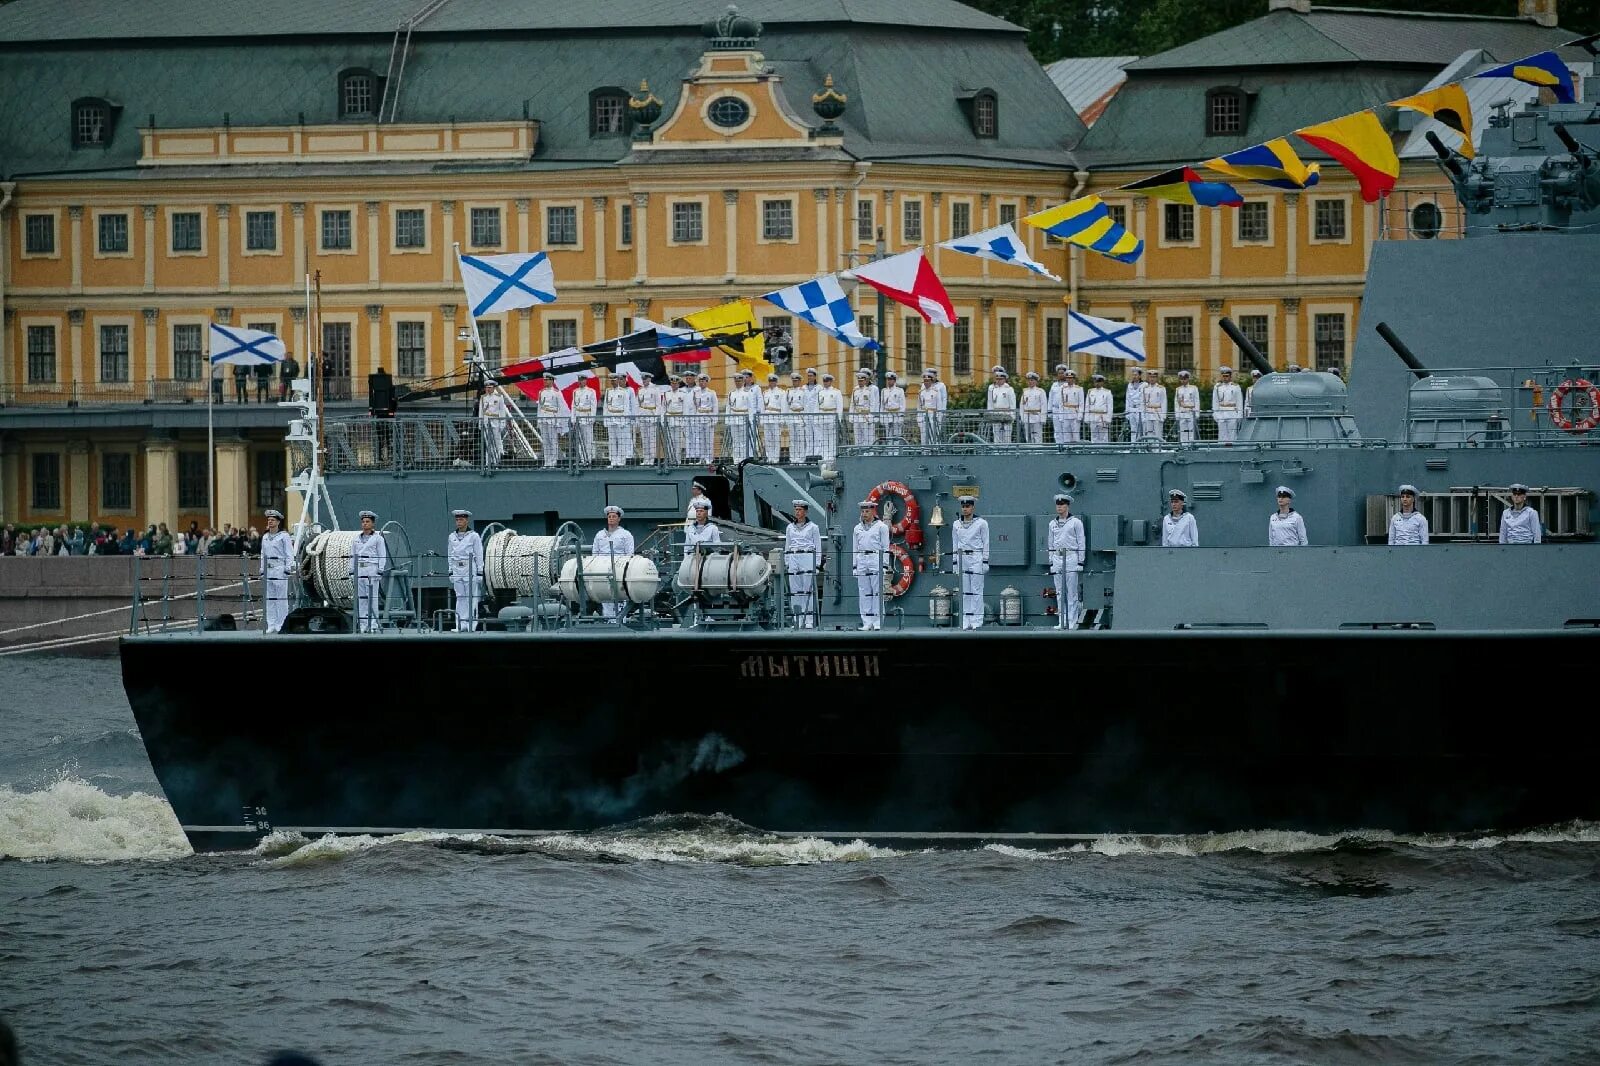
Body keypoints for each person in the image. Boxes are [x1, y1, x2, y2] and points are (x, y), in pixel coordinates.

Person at [1047, 492, 1086, 630]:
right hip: (1057, 558)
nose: (1059, 507)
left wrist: (1081, 561)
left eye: (1062, 504)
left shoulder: (1076, 523)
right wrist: (1051, 561)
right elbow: (1050, 544)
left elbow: (1081, 542)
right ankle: (1062, 620)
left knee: (1071, 592)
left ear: (1067, 506)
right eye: (1058, 505)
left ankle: (1072, 620)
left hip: (1070, 557)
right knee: (1059, 591)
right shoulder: (1052, 523)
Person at [591, 504, 635, 622]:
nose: (611, 518)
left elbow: (629, 553)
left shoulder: (626, 535)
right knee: (605, 594)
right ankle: (608, 621)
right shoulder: (600, 535)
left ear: (619, 519)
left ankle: (621, 621)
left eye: (614, 516)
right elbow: (595, 553)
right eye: (609, 516)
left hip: (619, 568)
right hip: (602, 568)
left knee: (620, 594)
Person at [951, 494, 989, 629]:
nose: (965, 509)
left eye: (967, 506)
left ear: (972, 507)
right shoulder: (957, 524)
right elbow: (955, 544)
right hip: (963, 559)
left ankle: (977, 619)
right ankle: (965, 618)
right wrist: (955, 562)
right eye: (963, 506)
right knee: (964, 591)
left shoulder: (981, 523)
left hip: (976, 558)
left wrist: (985, 561)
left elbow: (986, 543)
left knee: (977, 590)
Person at [851, 499, 890, 630]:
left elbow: (886, 547)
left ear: (873, 511)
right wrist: (854, 566)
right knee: (864, 592)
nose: (864, 514)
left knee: (877, 591)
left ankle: (878, 621)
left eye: (867, 511)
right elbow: (854, 548)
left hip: (875, 558)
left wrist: (884, 565)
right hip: (862, 558)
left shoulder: (881, 527)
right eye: (863, 511)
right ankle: (867, 622)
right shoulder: (857, 528)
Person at [445, 508, 484, 631]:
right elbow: (450, 554)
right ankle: (460, 624)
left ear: (466, 520)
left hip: (469, 568)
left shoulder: (474, 536)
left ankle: (471, 624)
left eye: (461, 519)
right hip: (457, 569)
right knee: (460, 597)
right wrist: (450, 570)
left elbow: (479, 554)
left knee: (471, 597)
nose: (458, 522)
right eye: (457, 519)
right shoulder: (452, 537)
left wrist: (479, 572)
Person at [783, 500, 821, 628]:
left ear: (805, 511)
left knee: (807, 589)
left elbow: (818, 546)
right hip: (794, 556)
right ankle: (797, 619)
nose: (797, 512)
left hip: (807, 556)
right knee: (795, 590)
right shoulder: (790, 528)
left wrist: (817, 564)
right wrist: (787, 561)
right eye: (796, 510)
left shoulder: (813, 527)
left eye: (800, 510)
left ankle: (809, 619)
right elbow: (787, 545)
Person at [351, 509, 387, 632]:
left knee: (372, 598)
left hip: (372, 569)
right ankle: (363, 625)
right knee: (362, 599)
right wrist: (352, 570)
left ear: (373, 524)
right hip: (360, 569)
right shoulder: (356, 539)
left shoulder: (378, 539)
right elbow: (353, 555)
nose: (365, 524)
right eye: (363, 522)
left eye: (367, 521)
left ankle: (373, 625)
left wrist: (380, 569)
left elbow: (382, 554)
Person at [260, 509, 293, 633]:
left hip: (279, 569)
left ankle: (281, 623)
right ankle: (271, 623)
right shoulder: (265, 537)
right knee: (270, 598)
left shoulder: (284, 536)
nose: (270, 522)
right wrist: (262, 568)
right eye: (269, 520)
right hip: (268, 569)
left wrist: (288, 568)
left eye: (272, 520)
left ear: (278, 522)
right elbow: (263, 554)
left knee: (281, 598)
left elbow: (289, 553)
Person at [603, 372, 638, 468]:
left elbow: (627, 407)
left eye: (614, 380)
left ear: (618, 380)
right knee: (612, 441)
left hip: (621, 419)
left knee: (622, 441)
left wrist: (625, 420)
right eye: (612, 380)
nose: (613, 382)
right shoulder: (608, 391)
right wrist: (605, 420)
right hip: (611, 419)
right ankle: (613, 461)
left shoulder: (624, 391)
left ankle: (621, 461)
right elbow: (605, 406)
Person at [537, 373, 568, 468]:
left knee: (553, 441)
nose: (544, 381)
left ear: (551, 381)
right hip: (543, 419)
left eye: (546, 380)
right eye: (544, 380)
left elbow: (561, 408)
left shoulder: (557, 393)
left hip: (552, 419)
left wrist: (558, 421)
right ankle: (547, 462)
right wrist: (539, 420)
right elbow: (539, 407)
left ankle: (553, 462)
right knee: (545, 442)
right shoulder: (541, 392)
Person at [1047, 365, 1082, 446]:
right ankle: (1059, 446)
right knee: (1057, 430)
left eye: (1063, 373)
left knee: (1067, 430)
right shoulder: (1054, 385)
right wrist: (1049, 411)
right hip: (1055, 409)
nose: (1061, 375)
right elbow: (1050, 398)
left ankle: (1068, 446)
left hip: (1066, 410)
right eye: (1059, 373)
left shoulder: (1069, 385)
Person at [727, 369, 755, 462]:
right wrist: (728, 420)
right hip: (734, 418)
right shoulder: (731, 393)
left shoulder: (748, 392)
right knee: (735, 441)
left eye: (739, 381)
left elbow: (751, 408)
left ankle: (743, 459)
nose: (737, 383)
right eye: (736, 381)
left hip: (743, 418)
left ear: (743, 381)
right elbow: (729, 407)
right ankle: (736, 459)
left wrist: (750, 420)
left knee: (743, 441)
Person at [815, 372, 844, 465]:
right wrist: (817, 419)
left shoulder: (836, 392)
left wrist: (838, 419)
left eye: (827, 381)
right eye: (824, 381)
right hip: (822, 415)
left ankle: (831, 456)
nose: (825, 383)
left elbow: (840, 407)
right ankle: (825, 456)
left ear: (831, 381)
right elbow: (817, 406)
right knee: (823, 438)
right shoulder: (820, 392)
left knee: (831, 438)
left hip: (832, 416)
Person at [571, 372, 599, 464]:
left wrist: (592, 418)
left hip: (587, 417)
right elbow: (573, 406)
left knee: (588, 440)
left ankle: (588, 459)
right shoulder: (575, 392)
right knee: (580, 441)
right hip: (578, 418)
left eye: (582, 380)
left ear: (586, 381)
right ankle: (583, 460)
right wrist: (573, 419)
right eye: (579, 380)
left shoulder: (591, 391)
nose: (580, 382)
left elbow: (593, 406)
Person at [691, 371, 719, 463]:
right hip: (699, 417)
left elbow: (715, 406)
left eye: (703, 381)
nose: (701, 383)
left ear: (707, 382)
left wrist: (715, 419)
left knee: (709, 439)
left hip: (708, 417)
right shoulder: (696, 393)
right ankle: (702, 458)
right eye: (700, 381)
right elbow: (694, 406)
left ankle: (709, 458)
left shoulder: (711, 392)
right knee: (700, 440)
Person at [785, 370, 812, 461]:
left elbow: (806, 406)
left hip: (800, 417)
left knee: (800, 439)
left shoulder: (803, 391)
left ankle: (801, 458)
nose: (794, 382)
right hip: (791, 416)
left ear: (799, 381)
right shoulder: (789, 391)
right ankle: (793, 458)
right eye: (793, 381)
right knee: (792, 439)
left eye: (796, 381)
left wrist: (805, 419)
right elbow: (787, 405)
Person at [478, 386, 509, 467]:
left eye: (490, 387)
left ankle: (496, 461)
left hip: (496, 422)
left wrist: (502, 423)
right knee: (488, 444)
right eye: (486, 387)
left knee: (497, 443)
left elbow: (502, 411)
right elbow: (481, 412)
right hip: (486, 422)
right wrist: (480, 423)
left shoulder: (499, 397)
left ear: (493, 388)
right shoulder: (483, 397)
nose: (488, 389)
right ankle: (488, 462)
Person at [635, 370, 661, 464]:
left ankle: (651, 459)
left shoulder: (655, 389)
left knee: (651, 439)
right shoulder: (640, 390)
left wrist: (657, 417)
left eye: (645, 379)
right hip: (642, 416)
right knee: (644, 439)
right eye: (642, 379)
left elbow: (658, 404)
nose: (643, 380)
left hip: (651, 416)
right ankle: (646, 459)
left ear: (649, 379)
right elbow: (637, 404)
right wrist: (637, 418)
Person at [1213, 366, 1243, 444]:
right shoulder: (1217, 387)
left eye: (1227, 376)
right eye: (1223, 376)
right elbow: (1215, 401)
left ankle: (1233, 449)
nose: (1225, 378)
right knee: (1222, 435)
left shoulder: (1236, 387)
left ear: (1230, 376)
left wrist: (1239, 414)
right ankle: (1222, 449)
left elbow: (1239, 401)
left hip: (1232, 413)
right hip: (1221, 412)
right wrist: (1215, 413)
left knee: (1232, 434)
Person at [663, 374, 690, 463]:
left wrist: (684, 421)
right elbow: (663, 407)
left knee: (678, 441)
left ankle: (677, 460)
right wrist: (663, 420)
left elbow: (686, 408)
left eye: (676, 383)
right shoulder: (666, 394)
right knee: (669, 441)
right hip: (669, 419)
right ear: (671, 384)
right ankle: (671, 459)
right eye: (672, 383)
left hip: (679, 419)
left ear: (678, 384)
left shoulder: (683, 394)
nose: (674, 385)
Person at [761, 372, 787, 462]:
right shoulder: (765, 393)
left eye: (773, 381)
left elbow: (784, 406)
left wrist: (782, 419)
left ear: (776, 382)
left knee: (776, 439)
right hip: (767, 418)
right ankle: (769, 457)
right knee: (767, 439)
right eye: (770, 381)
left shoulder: (781, 392)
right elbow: (762, 407)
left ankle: (775, 458)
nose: (771, 383)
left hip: (776, 417)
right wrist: (762, 419)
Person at [986, 366, 1016, 443]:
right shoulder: (992, 388)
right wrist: (990, 414)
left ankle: (1007, 451)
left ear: (1005, 379)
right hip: (996, 413)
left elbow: (1013, 403)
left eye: (1001, 379)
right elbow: (990, 402)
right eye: (997, 379)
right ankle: (997, 451)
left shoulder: (1009, 389)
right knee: (996, 435)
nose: (998, 381)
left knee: (1007, 435)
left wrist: (1012, 416)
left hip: (1006, 413)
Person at [850, 368, 880, 446]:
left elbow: (875, 403)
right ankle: (859, 452)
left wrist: (873, 416)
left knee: (869, 437)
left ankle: (869, 453)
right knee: (858, 437)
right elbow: (853, 404)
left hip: (867, 416)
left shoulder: (873, 389)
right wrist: (851, 416)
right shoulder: (855, 389)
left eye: (864, 378)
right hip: (857, 416)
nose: (862, 381)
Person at [918, 367, 947, 444]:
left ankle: (935, 450)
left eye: (931, 375)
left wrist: (942, 413)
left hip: (935, 412)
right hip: (925, 413)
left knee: (935, 433)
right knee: (924, 435)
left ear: (935, 376)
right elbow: (920, 402)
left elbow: (943, 400)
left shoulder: (941, 385)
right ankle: (925, 451)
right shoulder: (923, 387)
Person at [1018, 371, 1047, 444]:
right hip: (1027, 416)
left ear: (1036, 381)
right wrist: (1022, 417)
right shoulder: (1025, 391)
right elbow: (1022, 405)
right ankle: (1030, 450)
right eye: (1028, 380)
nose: (1030, 382)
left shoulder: (1040, 391)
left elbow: (1044, 405)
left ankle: (1038, 451)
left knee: (1037, 435)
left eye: (1032, 380)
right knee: (1028, 435)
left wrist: (1043, 418)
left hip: (1037, 416)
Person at [1085, 373, 1113, 444]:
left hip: (1102, 417)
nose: (1097, 383)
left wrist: (1108, 418)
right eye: (1095, 381)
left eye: (1099, 381)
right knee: (1094, 436)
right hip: (1093, 416)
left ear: (1102, 382)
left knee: (1103, 436)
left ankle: (1104, 451)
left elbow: (1110, 407)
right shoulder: (1090, 391)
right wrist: (1087, 418)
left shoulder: (1107, 392)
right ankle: (1094, 451)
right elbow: (1087, 405)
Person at [1173, 370, 1200, 445]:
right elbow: (1176, 403)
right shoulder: (1178, 389)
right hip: (1182, 413)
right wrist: (1177, 414)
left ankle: (1191, 446)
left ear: (1188, 379)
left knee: (1191, 432)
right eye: (1181, 379)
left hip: (1191, 412)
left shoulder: (1194, 388)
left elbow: (1197, 401)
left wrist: (1197, 413)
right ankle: (1184, 446)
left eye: (1185, 379)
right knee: (1182, 431)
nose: (1183, 381)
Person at [1141, 369, 1168, 442]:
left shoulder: (1161, 388)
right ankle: (1150, 449)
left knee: (1158, 432)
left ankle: (1158, 449)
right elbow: (1143, 403)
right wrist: (1143, 415)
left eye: (1154, 377)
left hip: (1157, 413)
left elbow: (1164, 402)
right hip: (1148, 413)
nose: (1152, 379)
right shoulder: (1145, 389)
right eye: (1150, 377)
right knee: (1149, 433)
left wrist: (1163, 416)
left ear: (1156, 378)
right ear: (1148, 378)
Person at [880, 370, 906, 443]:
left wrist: (901, 416)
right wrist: (882, 416)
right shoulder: (884, 391)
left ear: (894, 380)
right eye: (888, 379)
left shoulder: (899, 390)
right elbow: (882, 405)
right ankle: (889, 451)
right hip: (887, 415)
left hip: (896, 414)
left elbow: (902, 404)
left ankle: (896, 452)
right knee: (888, 436)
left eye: (891, 379)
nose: (889, 381)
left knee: (896, 435)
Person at [1123, 366, 1144, 442]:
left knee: (1141, 429)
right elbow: (1127, 399)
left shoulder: (1144, 385)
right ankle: (1133, 445)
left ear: (1140, 376)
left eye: (1136, 375)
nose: (1134, 376)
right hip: (1131, 409)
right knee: (1133, 429)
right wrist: (1127, 412)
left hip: (1140, 409)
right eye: (1133, 375)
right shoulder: (1129, 385)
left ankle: (1140, 446)